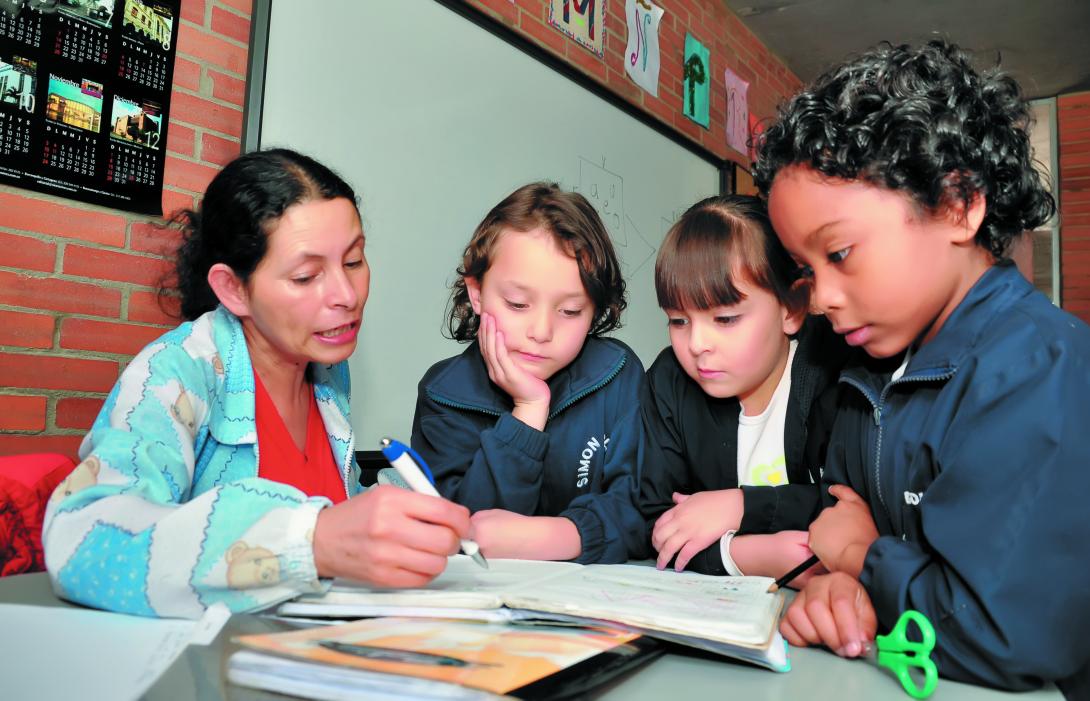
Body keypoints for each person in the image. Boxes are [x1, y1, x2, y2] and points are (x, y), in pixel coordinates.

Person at [753, 40, 1090, 692]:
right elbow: (840, 526)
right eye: (806, 269)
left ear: (958, 206)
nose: (819, 297)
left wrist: (859, 556)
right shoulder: (865, 366)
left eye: (841, 253)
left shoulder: (1043, 370)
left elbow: (1005, 634)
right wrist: (840, 588)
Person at [42, 149, 471, 618]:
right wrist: (311, 541)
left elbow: (328, 508)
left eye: (353, 261)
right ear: (234, 289)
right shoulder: (179, 372)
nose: (346, 297)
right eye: (306, 276)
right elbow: (81, 542)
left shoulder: (326, 373)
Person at [409, 182, 646, 564]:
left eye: (570, 311)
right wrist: (528, 411)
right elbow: (466, 533)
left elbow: (640, 507)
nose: (541, 332)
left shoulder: (617, 373)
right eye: (518, 304)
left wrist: (560, 536)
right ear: (477, 293)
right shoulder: (444, 393)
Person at [640, 194, 846, 580]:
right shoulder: (669, 381)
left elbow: (850, 508)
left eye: (725, 318)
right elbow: (656, 525)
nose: (697, 343)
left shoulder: (832, 370)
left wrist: (739, 506)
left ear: (792, 308)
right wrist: (750, 555)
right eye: (678, 320)